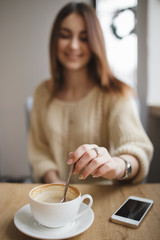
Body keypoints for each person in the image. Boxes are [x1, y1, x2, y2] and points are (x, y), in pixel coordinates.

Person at [28, 2, 153, 185]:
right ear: (54, 40)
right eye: (65, 35)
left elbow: (137, 149)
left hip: (101, 200)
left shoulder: (116, 94)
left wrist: (116, 166)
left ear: (95, 43)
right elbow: (40, 152)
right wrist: (54, 182)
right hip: (54, 197)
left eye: (84, 38)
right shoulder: (42, 93)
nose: (73, 45)